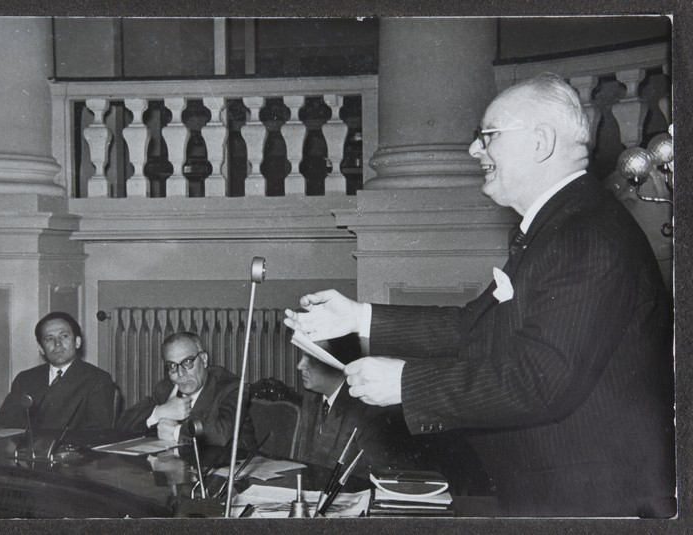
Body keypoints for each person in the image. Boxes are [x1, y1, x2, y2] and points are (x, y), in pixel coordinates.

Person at [284, 73, 675, 517]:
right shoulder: (560, 225)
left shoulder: (585, 234)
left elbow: (539, 381)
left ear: (540, 142)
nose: (474, 150)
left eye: (487, 136)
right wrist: (359, 318)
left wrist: (405, 383)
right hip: (566, 494)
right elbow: (473, 326)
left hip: (595, 503)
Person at [294, 334, 412, 477]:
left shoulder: (369, 409)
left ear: (338, 362)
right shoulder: (313, 397)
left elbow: (382, 480)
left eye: (310, 358)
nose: (300, 365)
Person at [117, 331, 255, 448]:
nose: (181, 374)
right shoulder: (166, 388)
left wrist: (176, 432)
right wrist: (160, 412)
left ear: (204, 359)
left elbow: (223, 435)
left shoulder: (231, 387)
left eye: (188, 362)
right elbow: (122, 424)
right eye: (172, 366)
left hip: (228, 472)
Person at [0, 312, 116, 430]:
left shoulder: (97, 379)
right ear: (41, 348)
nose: (57, 344)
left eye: (64, 336)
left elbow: (98, 433)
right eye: (49, 338)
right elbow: (3, 425)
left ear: (77, 342)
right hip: (26, 450)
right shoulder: (25, 379)